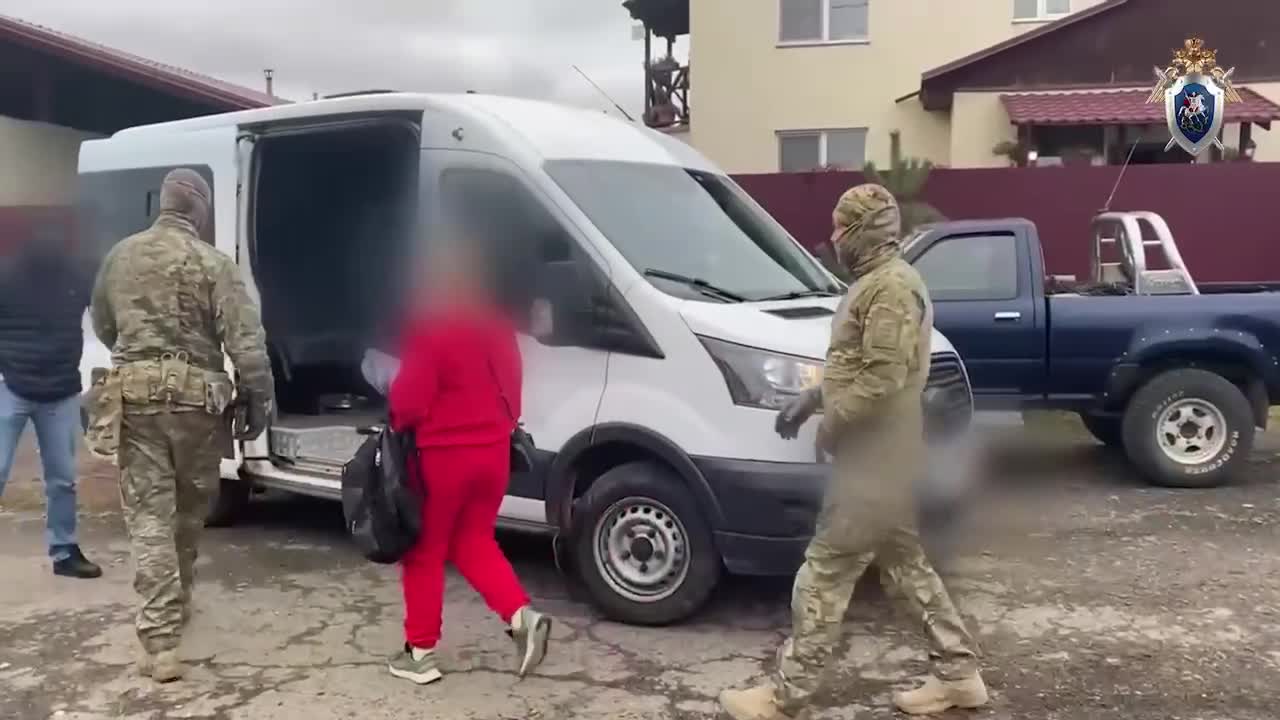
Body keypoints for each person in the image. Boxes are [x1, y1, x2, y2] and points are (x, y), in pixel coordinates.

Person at [719, 184, 987, 719]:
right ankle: (960, 677)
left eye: (841, 227)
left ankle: (785, 697)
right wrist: (812, 399)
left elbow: (883, 378)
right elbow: (857, 365)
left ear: (865, 231)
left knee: (824, 572)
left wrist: (834, 421)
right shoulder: (876, 284)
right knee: (906, 569)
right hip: (885, 459)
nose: (834, 236)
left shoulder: (890, 288)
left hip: (874, 462)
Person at [88, 168, 274, 683]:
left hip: (136, 401)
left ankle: (161, 641)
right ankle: (179, 606)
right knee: (189, 516)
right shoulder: (213, 263)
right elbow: (245, 341)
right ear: (201, 212)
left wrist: (140, 357)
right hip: (198, 405)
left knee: (150, 518)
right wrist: (257, 399)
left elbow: (104, 324)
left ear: (162, 204)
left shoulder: (120, 256)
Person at [385, 237, 552, 686]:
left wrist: (396, 419)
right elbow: (512, 390)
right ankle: (521, 617)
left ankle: (419, 652)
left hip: (443, 458)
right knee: (473, 540)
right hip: (493, 454)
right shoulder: (497, 324)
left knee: (424, 550)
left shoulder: (432, 325)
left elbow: (409, 400)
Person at [0, 226, 102, 579]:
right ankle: (64, 550)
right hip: (12, 386)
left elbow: (106, 312)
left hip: (59, 390)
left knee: (62, 479)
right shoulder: (7, 276)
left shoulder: (77, 276)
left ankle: (64, 551)